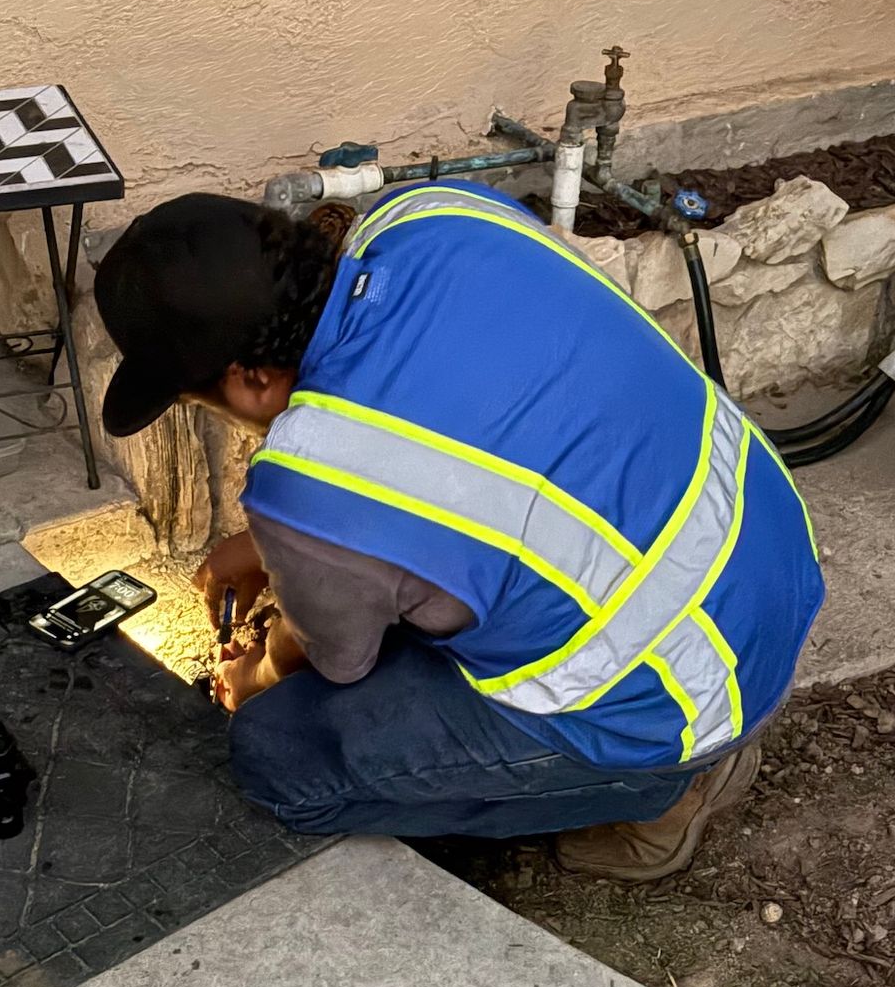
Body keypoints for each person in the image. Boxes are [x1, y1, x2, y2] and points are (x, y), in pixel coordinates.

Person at [94, 178, 823, 880]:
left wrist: (247, 673)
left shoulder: (312, 482)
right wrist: (271, 546)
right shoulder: (433, 218)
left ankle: (660, 795)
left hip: (673, 701)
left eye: (201, 402)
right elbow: (491, 440)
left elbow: (332, 661)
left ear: (249, 377)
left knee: (277, 752)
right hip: (767, 561)